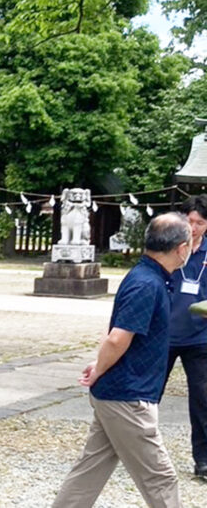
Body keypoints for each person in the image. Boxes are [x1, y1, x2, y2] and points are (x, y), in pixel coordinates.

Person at [52, 212, 191, 508]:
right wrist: (98, 369)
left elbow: (116, 334)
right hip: (128, 396)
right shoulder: (147, 283)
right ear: (181, 248)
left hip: (118, 391)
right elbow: (118, 337)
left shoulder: (148, 277)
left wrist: (99, 365)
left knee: (90, 470)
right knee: (161, 477)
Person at [166, 195, 207, 482]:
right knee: (147, 395)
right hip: (165, 333)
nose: (193, 228)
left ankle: (203, 460)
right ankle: (132, 450)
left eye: (200, 223)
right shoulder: (168, 247)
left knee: (203, 400)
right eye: (189, 221)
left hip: (200, 335)